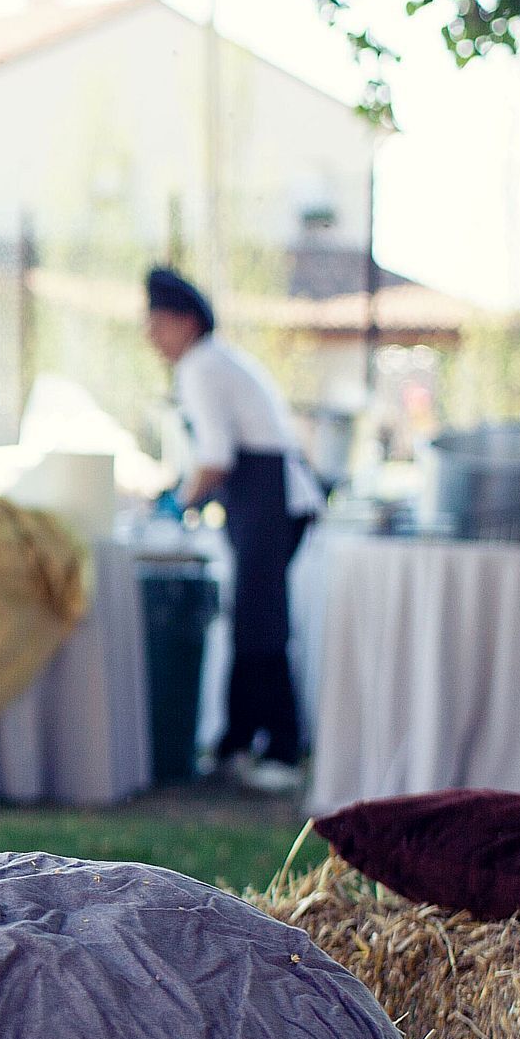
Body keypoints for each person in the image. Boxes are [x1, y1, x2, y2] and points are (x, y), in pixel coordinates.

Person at [144, 265, 323, 791]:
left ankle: (281, 749)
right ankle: (239, 744)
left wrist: (177, 504)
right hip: (261, 499)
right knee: (252, 622)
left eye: (156, 323)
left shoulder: (201, 366)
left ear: (184, 321)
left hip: (269, 496)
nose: (150, 337)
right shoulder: (214, 362)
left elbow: (215, 459)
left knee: (261, 624)